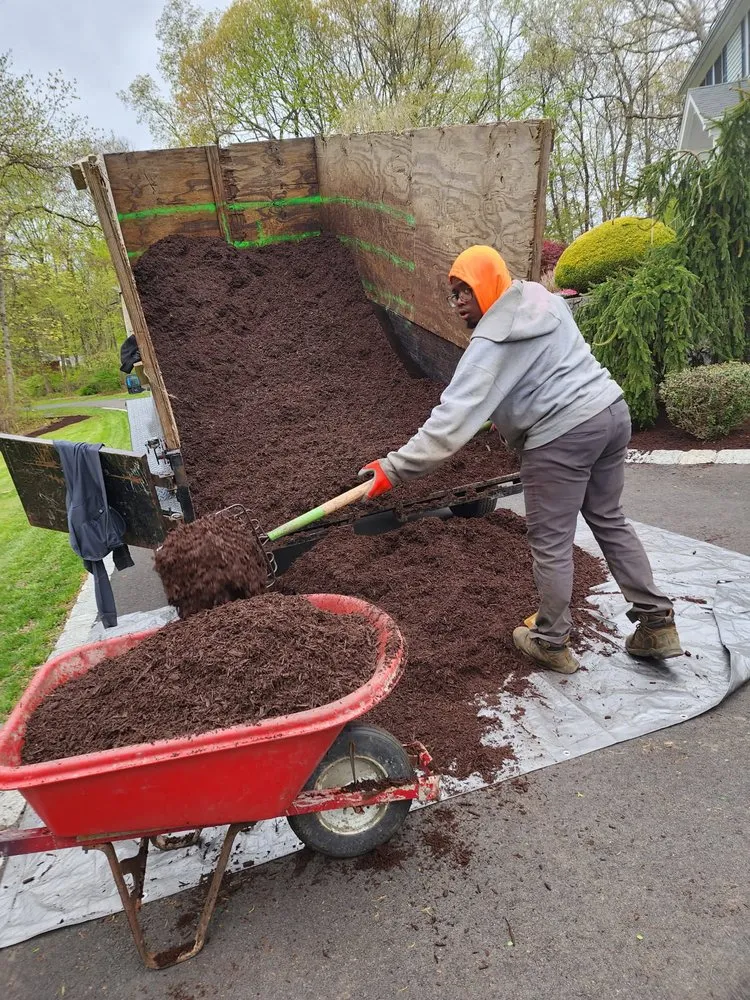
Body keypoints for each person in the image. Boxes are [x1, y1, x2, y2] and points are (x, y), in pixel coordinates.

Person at [358, 245, 681, 674]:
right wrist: (509, 410)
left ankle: (549, 640)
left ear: (487, 285)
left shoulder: (491, 344)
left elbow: (449, 424)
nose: (457, 304)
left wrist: (393, 468)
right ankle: (656, 624)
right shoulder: (541, 299)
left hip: (562, 437)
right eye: (453, 294)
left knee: (550, 540)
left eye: (465, 292)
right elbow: (546, 367)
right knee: (608, 517)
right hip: (609, 412)